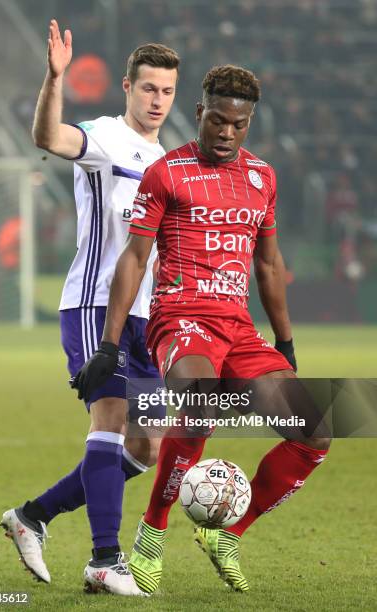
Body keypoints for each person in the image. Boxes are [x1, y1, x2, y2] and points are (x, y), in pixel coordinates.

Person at [72, 64, 331, 594]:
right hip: (180, 317)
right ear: (200, 113)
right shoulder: (167, 172)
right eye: (217, 120)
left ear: (249, 123)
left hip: (237, 326)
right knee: (201, 398)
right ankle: (152, 533)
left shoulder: (263, 177)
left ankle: (228, 533)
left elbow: (268, 264)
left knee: (315, 435)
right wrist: (109, 343)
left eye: (238, 125)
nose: (226, 133)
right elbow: (135, 258)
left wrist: (284, 341)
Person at [0, 19, 179, 596]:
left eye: (168, 91)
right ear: (127, 87)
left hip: (147, 315)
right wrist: (54, 79)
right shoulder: (102, 135)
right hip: (95, 304)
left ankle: (32, 516)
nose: (158, 100)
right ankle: (105, 559)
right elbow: (48, 138)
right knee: (111, 419)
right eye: (148, 88)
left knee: (148, 446)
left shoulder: (169, 160)